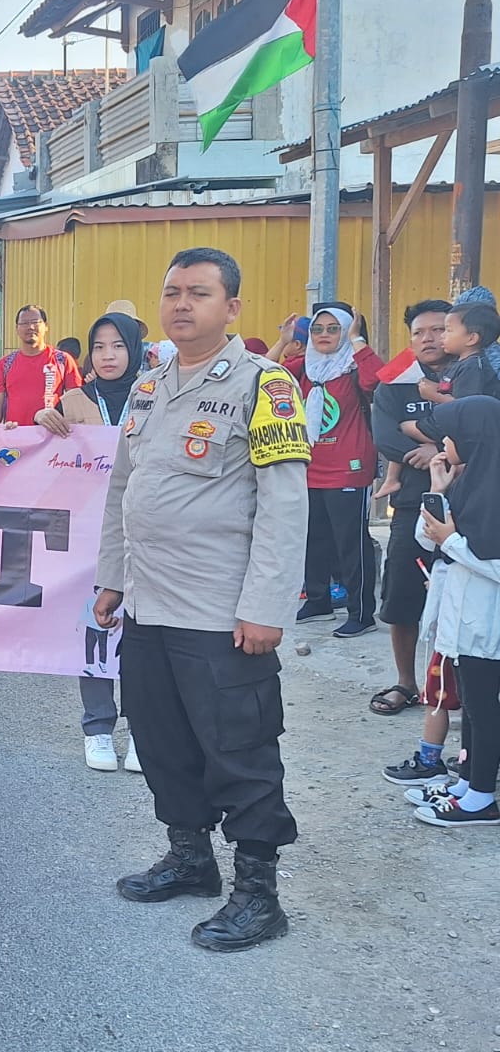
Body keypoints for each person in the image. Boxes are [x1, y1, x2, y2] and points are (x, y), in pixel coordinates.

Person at [95, 247, 308, 953]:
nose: (182, 304)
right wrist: (112, 577)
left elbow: (284, 505)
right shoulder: (150, 387)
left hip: (221, 613)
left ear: (232, 308)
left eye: (199, 293)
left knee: (240, 753)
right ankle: (191, 859)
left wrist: (267, 608)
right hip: (150, 607)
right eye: (172, 292)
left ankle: (259, 894)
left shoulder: (266, 385)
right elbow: (124, 489)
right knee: (161, 742)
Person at [35, 312, 147, 774]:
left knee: (145, 636)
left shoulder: (155, 393)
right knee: (96, 631)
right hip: (90, 537)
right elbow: (42, 452)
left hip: (146, 534)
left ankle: (143, 731)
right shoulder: (76, 399)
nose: (108, 356)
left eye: (118, 346)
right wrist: (41, 419)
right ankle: (99, 728)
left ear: (134, 350)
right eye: (99, 347)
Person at [412, 397, 500, 827]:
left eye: (450, 435)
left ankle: (482, 795)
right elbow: (427, 539)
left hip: (490, 625)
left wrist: (452, 543)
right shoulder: (470, 482)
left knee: (485, 709)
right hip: (465, 623)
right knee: (472, 707)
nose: (444, 443)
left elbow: (491, 561)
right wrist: (438, 489)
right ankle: (468, 782)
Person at [277, 303, 384, 639]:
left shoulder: (353, 367)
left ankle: (362, 612)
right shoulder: (306, 368)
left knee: (351, 543)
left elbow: (377, 380)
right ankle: (319, 599)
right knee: (312, 538)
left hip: (349, 468)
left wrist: (357, 341)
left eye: (333, 329)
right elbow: (263, 374)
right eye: (318, 329)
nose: (324, 335)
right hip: (310, 467)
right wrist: (282, 343)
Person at [371, 300, 453, 722]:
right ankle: (407, 681)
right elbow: (385, 436)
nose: (429, 338)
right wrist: (416, 450)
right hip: (413, 505)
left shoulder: (476, 376)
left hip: (470, 506)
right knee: (401, 595)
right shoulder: (394, 385)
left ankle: (459, 688)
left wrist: (437, 448)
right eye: (420, 332)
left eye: (438, 330)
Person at [0, 304, 82, 426]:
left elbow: (75, 404)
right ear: (17, 329)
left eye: (35, 322)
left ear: (46, 326)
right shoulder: (4, 364)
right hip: (15, 436)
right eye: (24, 323)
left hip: (51, 437)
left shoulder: (63, 360)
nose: (30, 327)